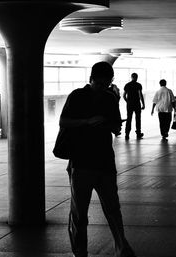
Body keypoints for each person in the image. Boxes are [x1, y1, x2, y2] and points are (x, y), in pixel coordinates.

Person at [59, 62, 136, 257]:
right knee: (80, 213)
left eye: (107, 83)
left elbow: (115, 125)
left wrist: (113, 126)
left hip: (103, 161)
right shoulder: (77, 96)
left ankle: (121, 248)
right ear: (90, 79)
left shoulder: (110, 97)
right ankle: (80, 251)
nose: (103, 87)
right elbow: (63, 121)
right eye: (99, 83)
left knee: (112, 208)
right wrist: (87, 121)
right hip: (81, 160)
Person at [123, 73, 145, 140]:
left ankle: (127, 134)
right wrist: (143, 104)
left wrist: (128, 101)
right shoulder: (138, 85)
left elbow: (124, 96)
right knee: (138, 119)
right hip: (137, 104)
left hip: (130, 104)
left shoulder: (127, 85)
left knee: (129, 118)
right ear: (136, 77)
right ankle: (138, 133)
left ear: (131, 77)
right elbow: (140, 95)